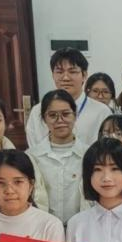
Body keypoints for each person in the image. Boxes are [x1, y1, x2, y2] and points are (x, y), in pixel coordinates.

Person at [25, 48, 108, 150]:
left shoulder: (101, 112)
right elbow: (34, 150)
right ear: (53, 75)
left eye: (72, 72)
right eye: (59, 72)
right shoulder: (38, 111)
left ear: (84, 75)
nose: (65, 78)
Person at [27, 90, 86, 225]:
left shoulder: (89, 154)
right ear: (44, 119)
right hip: (43, 228)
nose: (60, 120)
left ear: (75, 115)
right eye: (52, 115)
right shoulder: (31, 156)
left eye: (66, 114)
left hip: (81, 226)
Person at [0, 150, 65, 241]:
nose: (9, 191)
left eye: (18, 182)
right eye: (0, 183)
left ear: (31, 185)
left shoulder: (50, 226)